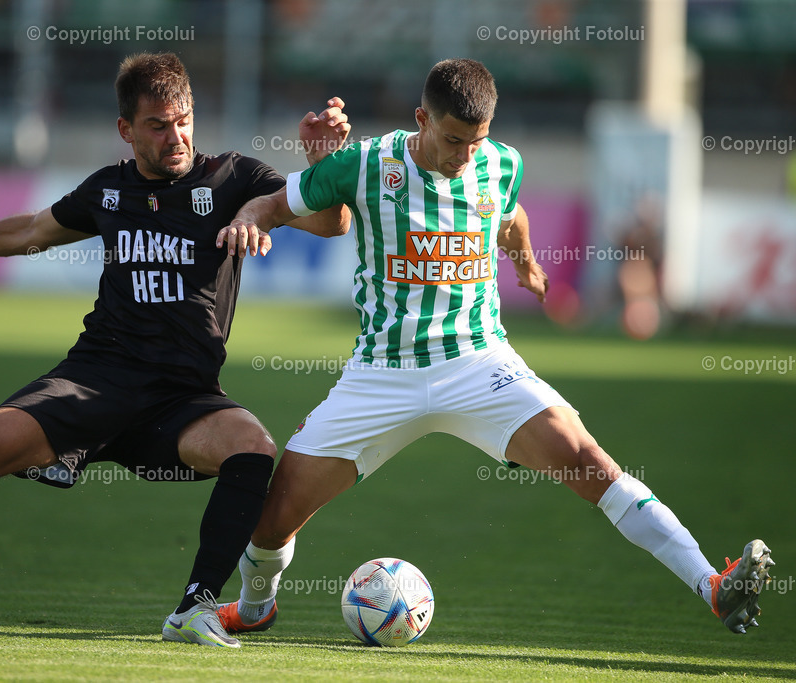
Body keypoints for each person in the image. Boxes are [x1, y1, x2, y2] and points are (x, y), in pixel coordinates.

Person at [215, 58, 774, 637]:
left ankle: (711, 583)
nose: (465, 156)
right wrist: (247, 221)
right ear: (421, 120)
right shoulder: (363, 163)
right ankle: (257, 610)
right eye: (454, 140)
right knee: (273, 519)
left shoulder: (500, 163)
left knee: (591, 463)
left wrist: (528, 265)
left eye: (476, 142)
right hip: (382, 372)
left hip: (480, 362)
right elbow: (274, 204)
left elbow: (510, 218)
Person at [0, 52, 351, 649]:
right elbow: (30, 232)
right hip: (95, 378)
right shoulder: (107, 190)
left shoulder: (234, 179)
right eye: (157, 125)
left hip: (182, 399)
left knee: (251, 446)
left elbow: (331, 225)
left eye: (183, 120)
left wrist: (324, 162)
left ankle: (194, 608)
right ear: (126, 130)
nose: (175, 136)